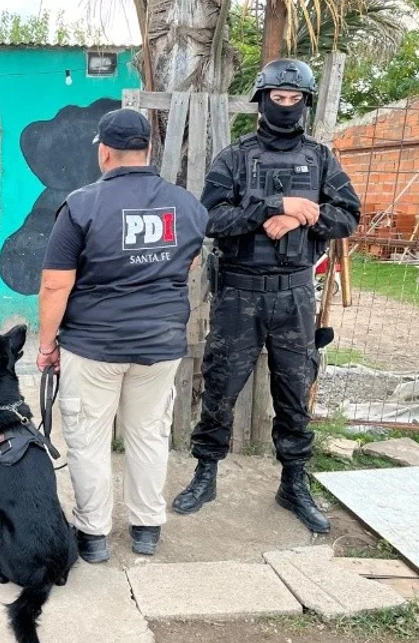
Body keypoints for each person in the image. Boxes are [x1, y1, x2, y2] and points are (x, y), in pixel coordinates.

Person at [171, 58, 361, 534]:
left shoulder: (320, 159)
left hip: (294, 295)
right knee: (220, 388)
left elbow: (348, 216)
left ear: (305, 103)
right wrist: (272, 206)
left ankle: (293, 483)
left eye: (295, 98)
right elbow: (210, 219)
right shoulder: (235, 158)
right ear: (263, 99)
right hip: (239, 294)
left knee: (295, 392)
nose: (287, 105)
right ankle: (205, 474)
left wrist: (301, 215)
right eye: (279, 97)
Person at [36, 108, 208, 562]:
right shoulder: (187, 205)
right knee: (148, 435)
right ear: (148, 149)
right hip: (160, 345)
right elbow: (189, 263)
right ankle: (146, 528)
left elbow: (55, 285)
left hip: (94, 346)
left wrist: (47, 344)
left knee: (88, 439)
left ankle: (93, 536)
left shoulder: (81, 205)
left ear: (105, 152)